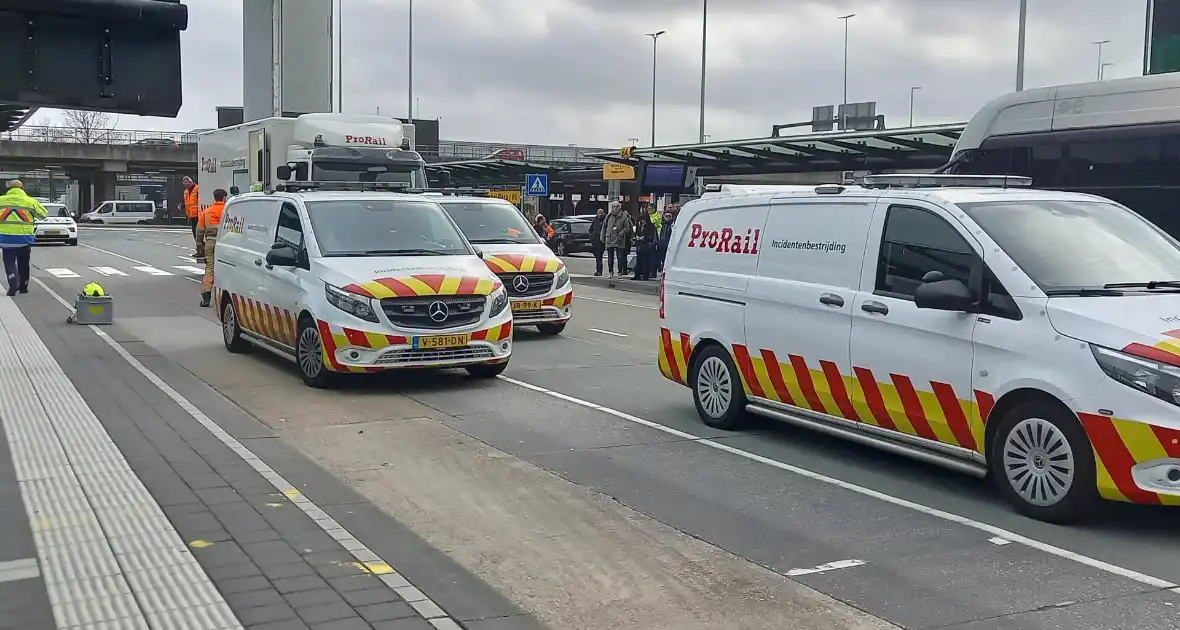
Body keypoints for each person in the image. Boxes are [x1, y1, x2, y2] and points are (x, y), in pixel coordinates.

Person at [0, 180, 47, 296]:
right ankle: (23, 286)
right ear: (22, 188)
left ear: (9, 188)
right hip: (24, 239)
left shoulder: (1, 200)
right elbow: (43, 215)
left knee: (9, 262)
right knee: (24, 263)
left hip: (5, 238)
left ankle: (12, 283)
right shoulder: (30, 201)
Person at [197, 189, 227, 307]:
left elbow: (199, 230)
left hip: (210, 242)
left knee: (210, 268)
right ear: (224, 198)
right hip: (226, 243)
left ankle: (206, 295)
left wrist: (199, 245)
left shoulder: (207, 212)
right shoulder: (228, 211)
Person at [600, 201, 632, 280]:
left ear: (619, 207)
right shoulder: (608, 216)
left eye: (617, 206)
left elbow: (627, 228)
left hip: (619, 239)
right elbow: (604, 227)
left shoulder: (624, 217)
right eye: (614, 207)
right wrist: (602, 237)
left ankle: (620, 272)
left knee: (620, 257)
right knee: (610, 257)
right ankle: (611, 272)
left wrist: (621, 233)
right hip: (609, 239)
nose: (615, 208)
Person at [632, 212, 658, 281]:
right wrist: (637, 237)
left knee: (645, 262)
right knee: (639, 261)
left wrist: (645, 238)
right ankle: (637, 275)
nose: (643, 222)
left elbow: (652, 236)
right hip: (639, 245)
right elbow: (636, 233)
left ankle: (645, 275)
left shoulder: (651, 226)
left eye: (644, 220)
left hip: (647, 245)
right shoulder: (638, 225)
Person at [180, 176, 201, 258]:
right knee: (195, 234)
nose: (186, 186)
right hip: (191, 215)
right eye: (184, 185)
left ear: (190, 182)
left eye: (187, 184)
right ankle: (199, 250)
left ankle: (200, 250)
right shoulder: (186, 191)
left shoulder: (197, 189)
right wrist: (182, 206)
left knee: (198, 233)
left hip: (198, 215)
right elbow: (187, 203)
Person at [656, 204, 677, 274]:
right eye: (666, 216)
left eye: (669, 216)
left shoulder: (673, 225)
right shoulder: (660, 224)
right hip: (660, 245)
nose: (668, 217)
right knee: (661, 259)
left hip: (669, 246)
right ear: (663, 216)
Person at [588, 207, 606, 276]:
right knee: (597, 256)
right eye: (599, 213)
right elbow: (591, 229)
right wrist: (592, 236)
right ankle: (598, 270)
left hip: (601, 241)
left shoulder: (605, 220)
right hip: (595, 241)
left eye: (601, 213)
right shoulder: (595, 220)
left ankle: (599, 270)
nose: (600, 214)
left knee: (599, 256)